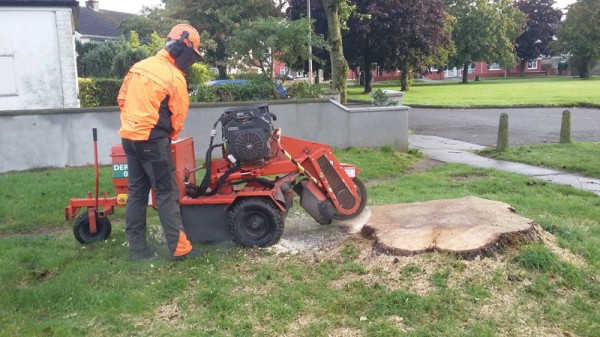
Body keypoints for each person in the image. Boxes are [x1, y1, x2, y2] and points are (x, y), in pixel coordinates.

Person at [117, 24, 203, 261]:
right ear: (183, 50)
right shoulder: (174, 77)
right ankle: (179, 250)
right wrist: (168, 135)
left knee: (136, 192)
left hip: (129, 138)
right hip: (152, 142)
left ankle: (137, 249)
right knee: (166, 193)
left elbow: (122, 99)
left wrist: (135, 124)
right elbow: (178, 117)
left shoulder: (139, 67)